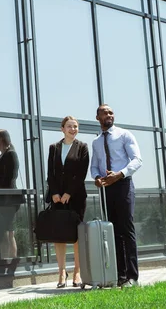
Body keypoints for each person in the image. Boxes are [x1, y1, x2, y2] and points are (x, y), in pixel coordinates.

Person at [91, 104, 142, 288]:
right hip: (107, 189)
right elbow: (94, 166)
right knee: (113, 232)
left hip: (123, 185)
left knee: (127, 230)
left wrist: (119, 174)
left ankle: (132, 277)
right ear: (98, 117)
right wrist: (97, 178)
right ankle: (120, 276)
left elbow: (137, 160)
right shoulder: (96, 142)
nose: (109, 115)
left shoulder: (124, 135)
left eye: (111, 112)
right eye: (105, 113)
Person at [46, 116, 89, 288]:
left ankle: (77, 272)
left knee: (76, 235)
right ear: (62, 129)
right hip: (57, 198)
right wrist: (55, 192)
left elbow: (81, 173)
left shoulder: (83, 147)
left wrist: (69, 193)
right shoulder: (54, 148)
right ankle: (61, 272)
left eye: (76, 126)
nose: (73, 129)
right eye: (69, 126)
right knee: (59, 236)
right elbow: (50, 172)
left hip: (76, 197)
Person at [0, 129, 21, 268]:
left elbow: (8, 179)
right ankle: (5, 260)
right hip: (5, 199)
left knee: (8, 232)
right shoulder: (3, 155)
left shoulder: (10, 155)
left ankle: (12, 260)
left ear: (1, 139)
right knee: (4, 232)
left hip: (8, 200)